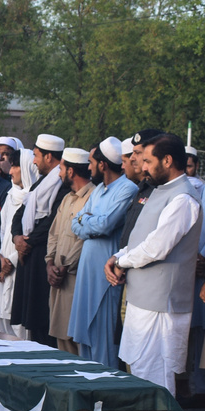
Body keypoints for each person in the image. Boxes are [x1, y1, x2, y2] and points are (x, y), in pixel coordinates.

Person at [106, 134, 202, 395]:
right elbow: (140, 237)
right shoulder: (160, 191)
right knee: (139, 369)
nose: (144, 167)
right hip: (142, 300)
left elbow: (156, 247)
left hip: (161, 305)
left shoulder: (183, 199)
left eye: (148, 161)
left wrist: (122, 262)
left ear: (168, 160)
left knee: (155, 379)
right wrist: (117, 257)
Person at [68, 137, 137, 367]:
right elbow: (74, 224)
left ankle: (106, 398)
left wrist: (87, 220)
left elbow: (107, 224)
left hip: (106, 277)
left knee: (104, 340)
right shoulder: (98, 190)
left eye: (91, 162)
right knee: (85, 339)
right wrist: (90, 222)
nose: (88, 167)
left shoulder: (128, 189)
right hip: (87, 273)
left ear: (103, 164)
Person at [10, 134, 66, 345]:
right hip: (28, 257)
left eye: (36, 156)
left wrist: (28, 242)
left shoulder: (61, 185)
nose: (33, 161)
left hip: (44, 258)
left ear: (49, 157)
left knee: (43, 320)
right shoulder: (39, 185)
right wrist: (17, 238)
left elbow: (53, 221)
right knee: (30, 323)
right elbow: (19, 214)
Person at [46, 148, 94, 354]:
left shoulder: (94, 197)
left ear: (71, 172)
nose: (58, 173)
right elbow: (54, 234)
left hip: (75, 279)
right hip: (57, 278)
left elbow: (85, 239)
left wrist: (65, 267)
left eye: (62, 168)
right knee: (60, 335)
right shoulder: (67, 199)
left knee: (77, 339)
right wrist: (49, 264)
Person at [0, 149, 37, 338]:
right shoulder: (11, 196)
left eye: (16, 166)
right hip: (3, 270)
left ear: (26, 167)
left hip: (21, 269)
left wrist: (11, 262)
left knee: (21, 330)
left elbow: (31, 237)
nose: (11, 171)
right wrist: (1, 260)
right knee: (3, 329)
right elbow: (2, 232)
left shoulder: (36, 198)